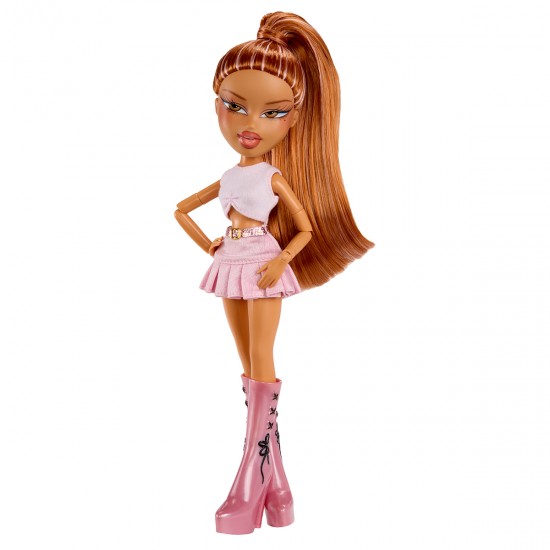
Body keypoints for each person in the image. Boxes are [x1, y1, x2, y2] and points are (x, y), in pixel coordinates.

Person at [174, 11, 375, 534]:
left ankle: (251, 474)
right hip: (230, 262)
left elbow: (304, 229)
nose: (250, 124)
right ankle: (275, 481)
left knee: (261, 358)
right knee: (246, 362)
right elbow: (181, 210)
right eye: (235, 106)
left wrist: (282, 259)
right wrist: (209, 243)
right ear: (216, 105)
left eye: (273, 112)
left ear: (292, 119)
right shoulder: (228, 177)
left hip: (262, 263)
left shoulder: (274, 176)